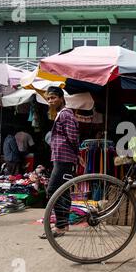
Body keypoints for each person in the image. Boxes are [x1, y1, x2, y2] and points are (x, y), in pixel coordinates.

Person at [40, 86, 79, 239]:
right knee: (63, 191)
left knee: (53, 191)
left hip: (64, 158)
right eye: (49, 98)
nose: (50, 101)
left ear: (61, 98)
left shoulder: (65, 114)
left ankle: (60, 226)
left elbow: (73, 137)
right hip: (61, 157)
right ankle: (64, 224)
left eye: (53, 98)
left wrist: (76, 154)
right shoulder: (60, 115)